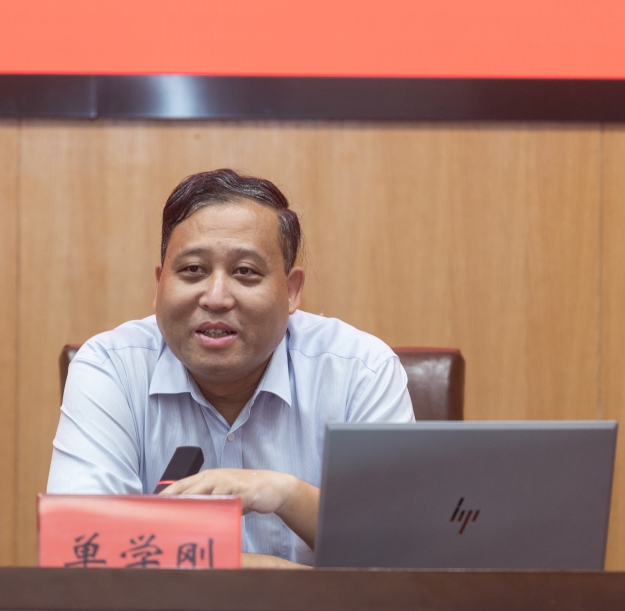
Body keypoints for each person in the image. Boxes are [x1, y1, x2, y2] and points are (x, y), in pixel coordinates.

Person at [47, 169, 414, 568]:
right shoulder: (111, 367)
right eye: (193, 270)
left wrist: (287, 495)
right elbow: (79, 552)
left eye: (245, 272)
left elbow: (400, 559)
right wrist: (284, 577)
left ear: (291, 291)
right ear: (159, 284)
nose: (216, 298)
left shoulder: (360, 371)